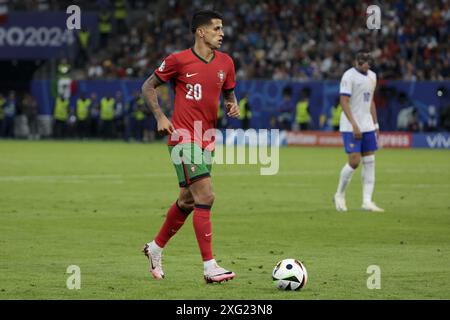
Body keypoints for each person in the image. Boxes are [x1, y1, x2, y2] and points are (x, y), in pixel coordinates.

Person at [141, 10, 240, 283]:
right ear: (201, 32)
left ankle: (155, 248)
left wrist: (233, 103)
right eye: (217, 28)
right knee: (206, 196)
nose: (222, 33)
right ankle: (210, 267)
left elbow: (228, 90)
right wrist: (161, 116)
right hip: (183, 137)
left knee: (187, 200)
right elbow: (148, 86)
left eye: (222, 28)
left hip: (207, 139)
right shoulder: (178, 60)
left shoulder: (226, 62)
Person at [334, 52, 384, 212]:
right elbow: (344, 101)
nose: (365, 65)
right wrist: (354, 124)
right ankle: (339, 194)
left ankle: (367, 201)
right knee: (355, 162)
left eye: (368, 62)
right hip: (351, 126)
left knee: (370, 161)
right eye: (362, 62)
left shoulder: (373, 77)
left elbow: (370, 101)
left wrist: (375, 125)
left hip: (368, 125)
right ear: (356, 62)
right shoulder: (348, 76)